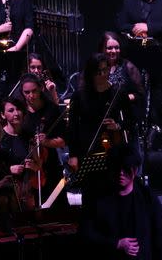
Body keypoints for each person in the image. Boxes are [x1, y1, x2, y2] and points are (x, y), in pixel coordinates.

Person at [117, 0, 162, 144]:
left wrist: (148, 28)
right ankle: (136, 129)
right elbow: (120, 24)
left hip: (161, 54)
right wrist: (137, 30)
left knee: (160, 94)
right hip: (137, 53)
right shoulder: (129, 2)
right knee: (136, 90)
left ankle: (157, 131)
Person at [67, 54, 136, 203]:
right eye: (99, 71)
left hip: (112, 149)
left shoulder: (118, 93)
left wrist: (117, 125)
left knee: (113, 192)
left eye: (105, 70)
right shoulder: (79, 96)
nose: (103, 75)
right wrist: (73, 154)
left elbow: (132, 120)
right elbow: (72, 126)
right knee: (90, 194)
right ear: (91, 73)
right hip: (87, 148)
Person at [18, 74, 67, 208]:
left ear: (41, 89)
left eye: (34, 91)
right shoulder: (19, 111)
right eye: (26, 92)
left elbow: (63, 141)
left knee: (57, 207)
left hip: (49, 166)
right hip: (27, 167)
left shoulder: (51, 109)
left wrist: (46, 142)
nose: (31, 96)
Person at [99, 31, 146, 112]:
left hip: (123, 113)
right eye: (109, 48)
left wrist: (124, 98)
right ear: (102, 49)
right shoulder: (95, 66)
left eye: (117, 48)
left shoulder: (128, 66)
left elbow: (141, 94)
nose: (114, 51)